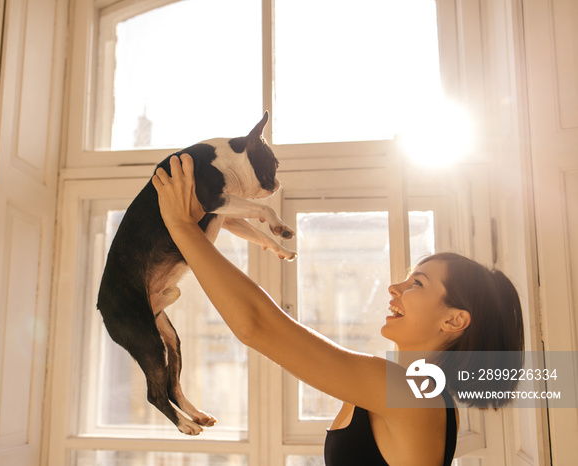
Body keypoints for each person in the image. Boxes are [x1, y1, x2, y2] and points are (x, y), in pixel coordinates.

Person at [152, 154, 525, 466]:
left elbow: (258, 326)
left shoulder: (410, 392)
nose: (396, 288)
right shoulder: (410, 391)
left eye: (418, 284)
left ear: (454, 320)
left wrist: (183, 228)